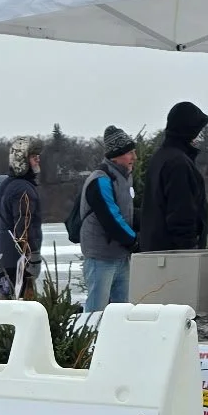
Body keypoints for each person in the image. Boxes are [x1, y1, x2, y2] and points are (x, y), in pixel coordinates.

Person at [77, 127, 137, 310]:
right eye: (129, 153)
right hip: (101, 257)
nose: (134, 157)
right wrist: (134, 241)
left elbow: (128, 212)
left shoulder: (125, 178)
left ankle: (118, 339)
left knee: (121, 312)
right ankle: (90, 339)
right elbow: (111, 217)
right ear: (115, 155)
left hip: (121, 255)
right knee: (96, 311)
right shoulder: (101, 180)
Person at [137, 103, 208, 250]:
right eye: (197, 131)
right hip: (173, 254)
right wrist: (188, 248)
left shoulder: (160, 157)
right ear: (188, 130)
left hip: (155, 249)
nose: (197, 137)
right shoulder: (178, 163)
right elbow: (181, 211)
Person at [0, 139, 44, 300]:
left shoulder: (6, 185)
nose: (38, 160)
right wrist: (32, 256)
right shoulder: (23, 189)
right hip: (18, 259)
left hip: (5, 254)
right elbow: (24, 226)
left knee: (7, 299)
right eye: (34, 157)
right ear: (23, 161)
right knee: (22, 303)